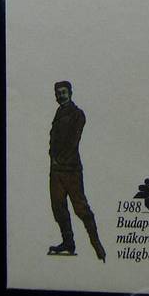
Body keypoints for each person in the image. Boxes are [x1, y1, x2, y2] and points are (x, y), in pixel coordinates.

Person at [48, 81, 106, 261]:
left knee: (81, 208)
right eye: (58, 93)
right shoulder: (59, 112)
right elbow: (54, 140)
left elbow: (74, 140)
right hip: (56, 170)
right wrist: (52, 157)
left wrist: (61, 159)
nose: (61, 95)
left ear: (70, 93)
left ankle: (97, 246)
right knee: (58, 207)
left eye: (63, 92)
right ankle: (68, 243)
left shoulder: (77, 114)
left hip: (71, 169)